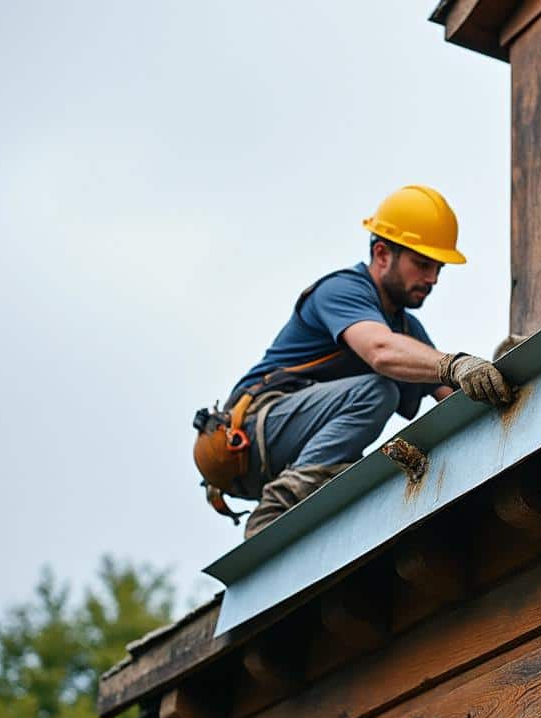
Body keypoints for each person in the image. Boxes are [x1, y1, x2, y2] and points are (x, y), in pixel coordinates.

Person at [191, 185, 514, 539]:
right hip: (253, 434)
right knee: (378, 391)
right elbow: (381, 351)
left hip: (289, 450)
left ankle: (310, 509)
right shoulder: (342, 291)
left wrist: (500, 375)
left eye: (438, 268)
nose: (432, 278)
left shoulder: (408, 332)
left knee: (378, 424)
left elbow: (450, 396)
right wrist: (456, 365)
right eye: (422, 264)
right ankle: (274, 512)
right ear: (382, 254)